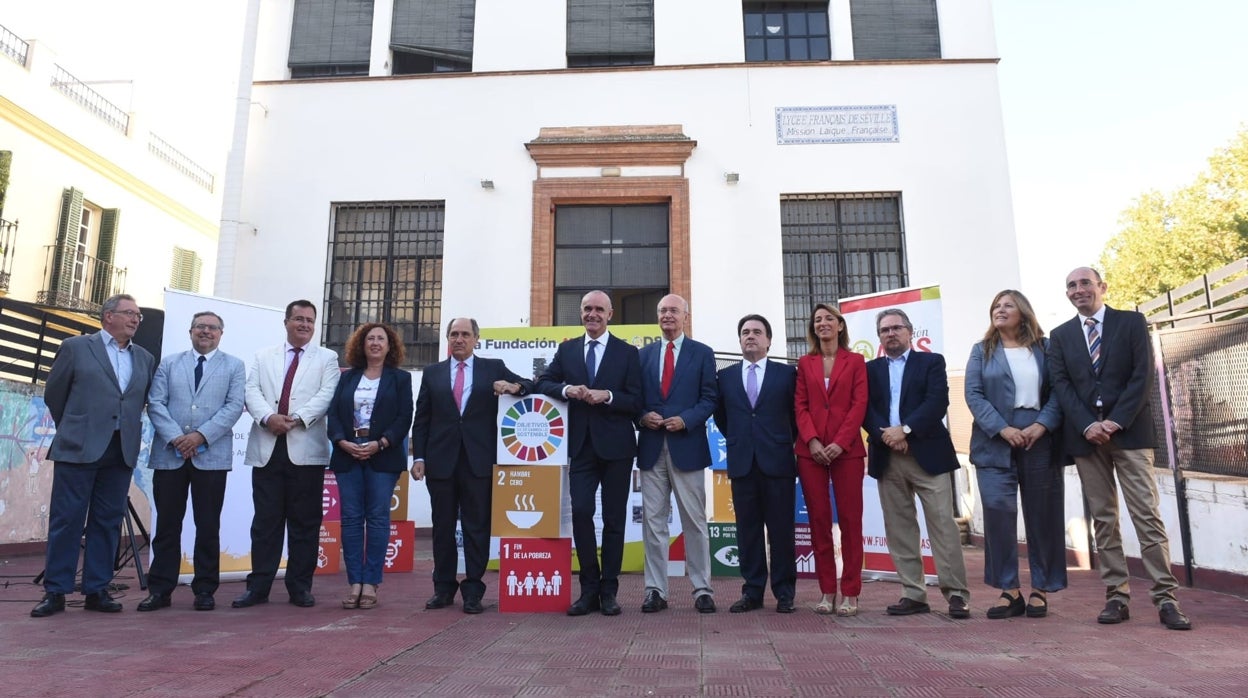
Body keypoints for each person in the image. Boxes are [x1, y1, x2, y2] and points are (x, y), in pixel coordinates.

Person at [1048, 267, 1192, 630]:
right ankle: (1116, 596)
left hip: (1130, 434)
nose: (1078, 290)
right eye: (1071, 286)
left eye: (1085, 283)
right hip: (1086, 438)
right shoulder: (1061, 335)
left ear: (1102, 287)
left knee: (1146, 516)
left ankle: (1166, 599)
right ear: (1067, 294)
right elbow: (1062, 386)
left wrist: (1115, 420)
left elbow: (1142, 376)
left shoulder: (1131, 323)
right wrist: (1087, 424)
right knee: (1104, 519)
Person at [32, 294, 155, 617]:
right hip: (78, 447)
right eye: (129, 313)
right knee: (67, 520)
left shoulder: (143, 358)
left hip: (121, 449)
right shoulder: (76, 347)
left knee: (108, 522)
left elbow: (137, 400)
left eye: (138, 316)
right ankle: (56, 591)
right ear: (107, 316)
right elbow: (55, 393)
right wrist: (75, 426)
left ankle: (97, 589)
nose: (135, 320)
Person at [410, 317, 531, 614]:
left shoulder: (493, 367)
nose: (459, 339)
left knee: (477, 526)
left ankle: (474, 590)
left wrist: (513, 386)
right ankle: (443, 587)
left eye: (465, 334)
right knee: (443, 528)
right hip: (440, 463)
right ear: (448, 339)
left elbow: (530, 384)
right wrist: (419, 458)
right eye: (454, 334)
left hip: (478, 462)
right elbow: (422, 418)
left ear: (477, 338)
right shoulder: (433, 373)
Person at [536, 290, 642, 616]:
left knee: (613, 520)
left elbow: (636, 400)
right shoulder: (567, 350)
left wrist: (607, 395)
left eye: (599, 309)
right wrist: (567, 390)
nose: (592, 314)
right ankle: (588, 588)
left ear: (610, 315)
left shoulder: (627, 353)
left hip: (617, 448)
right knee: (581, 513)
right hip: (580, 448)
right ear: (580, 313)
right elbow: (545, 383)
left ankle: (609, 591)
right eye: (587, 309)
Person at [965, 290, 1067, 619]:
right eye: (995, 305)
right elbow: (974, 394)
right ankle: (1009, 590)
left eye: (1007, 305)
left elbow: (1059, 392)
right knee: (997, 513)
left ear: (1023, 312)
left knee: (1044, 515)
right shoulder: (982, 351)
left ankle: (1041, 588)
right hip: (995, 439)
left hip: (1039, 437)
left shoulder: (1045, 347)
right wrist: (1002, 428)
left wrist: (1042, 424)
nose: (999, 309)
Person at [863, 308, 971, 619]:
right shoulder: (870, 370)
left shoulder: (931, 362)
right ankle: (913, 593)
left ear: (910, 332)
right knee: (899, 529)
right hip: (888, 456)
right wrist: (887, 436)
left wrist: (906, 430)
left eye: (897, 328)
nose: (891, 334)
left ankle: (957, 595)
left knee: (943, 527)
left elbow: (937, 401)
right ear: (879, 337)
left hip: (927, 456)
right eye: (885, 330)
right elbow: (865, 408)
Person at [234, 300, 341, 609]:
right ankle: (259, 587)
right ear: (286, 322)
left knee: (305, 523)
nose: (304, 324)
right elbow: (251, 391)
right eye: (298, 319)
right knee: (265, 522)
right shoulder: (262, 356)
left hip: (305, 450)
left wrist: (294, 419)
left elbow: (326, 395)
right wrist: (269, 418)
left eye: (309, 320)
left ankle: (299, 587)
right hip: (268, 448)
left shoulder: (327, 358)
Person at [140, 311, 247, 612]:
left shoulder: (234, 366)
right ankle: (160, 590)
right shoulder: (169, 363)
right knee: (167, 526)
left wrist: (199, 437)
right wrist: (177, 438)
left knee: (208, 524)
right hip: (169, 455)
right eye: (201, 327)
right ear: (190, 331)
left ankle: (205, 589)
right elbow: (156, 403)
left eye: (213, 328)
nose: (206, 332)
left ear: (220, 334)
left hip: (210, 456)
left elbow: (234, 407)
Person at [636, 294, 718, 614]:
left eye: (673, 311)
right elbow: (634, 400)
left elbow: (710, 399)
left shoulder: (702, 353)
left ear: (686, 316)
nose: (667, 316)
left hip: (688, 446)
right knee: (654, 524)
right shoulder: (643, 355)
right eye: (662, 311)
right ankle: (655, 590)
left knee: (694, 522)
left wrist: (686, 419)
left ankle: (702, 589)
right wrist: (642, 416)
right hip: (651, 447)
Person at [714, 314, 798, 614]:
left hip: (778, 463)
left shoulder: (787, 374)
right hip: (742, 463)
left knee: (781, 531)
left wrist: (777, 441)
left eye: (757, 332)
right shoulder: (725, 377)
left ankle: (785, 593)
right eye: (745, 332)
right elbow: (722, 418)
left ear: (769, 340)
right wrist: (742, 441)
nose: (751, 336)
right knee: (747, 531)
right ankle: (752, 592)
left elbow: (795, 417)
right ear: (739, 340)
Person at [327, 323, 413, 610]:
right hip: (347, 455)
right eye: (370, 338)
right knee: (351, 519)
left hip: (382, 457)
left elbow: (404, 418)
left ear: (390, 346)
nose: (375, 343)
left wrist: (382, 443)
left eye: (381, 339)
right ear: (361, 344)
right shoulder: (347, 378)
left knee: (377, 518)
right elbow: (334, 414)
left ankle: (371, 582)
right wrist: (341, 442)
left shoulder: (400, 379)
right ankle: (354, 581)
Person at [794, 303, 868, 616]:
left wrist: (840, 443)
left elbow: (859, 404)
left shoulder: (856, 361)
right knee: (819, 522)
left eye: (829, 319)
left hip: (847, 452)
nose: (823, 323)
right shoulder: (805, 362)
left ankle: (850, 592)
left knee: (850, 522)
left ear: (840, 326)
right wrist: (811, 441)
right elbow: (800, 405)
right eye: (818, 320)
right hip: (810, 452)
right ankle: (827, 591)